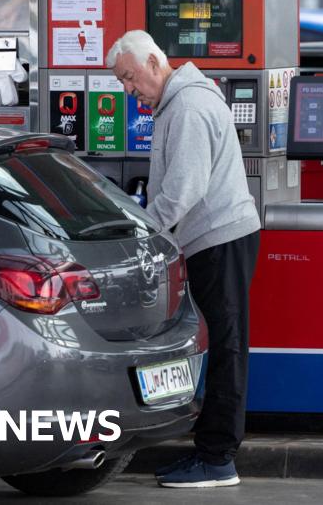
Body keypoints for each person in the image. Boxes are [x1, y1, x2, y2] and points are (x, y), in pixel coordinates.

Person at [107, 30, 261, 489]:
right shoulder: (179, 101)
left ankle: (217, 459)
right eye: (122, 82)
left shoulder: (189, 107)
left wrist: (141, 231)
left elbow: (183, 190)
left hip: (219, 238)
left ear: (155, 62)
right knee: (220, 344)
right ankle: (211, 453)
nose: (128, 90)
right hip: (213, 239)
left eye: (130, 77)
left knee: (227, 346)